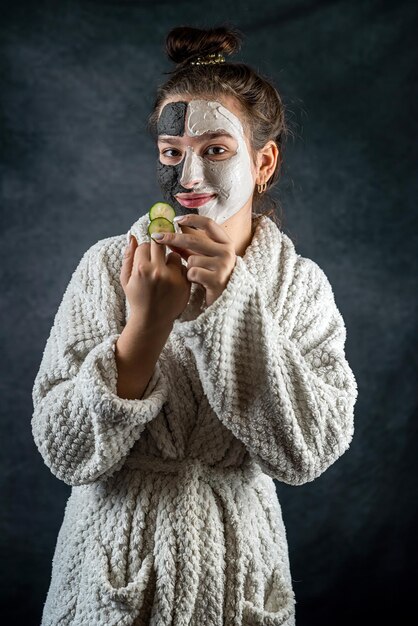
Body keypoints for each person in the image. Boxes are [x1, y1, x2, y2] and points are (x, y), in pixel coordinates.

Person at [31, 25, 358, 626]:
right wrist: (143, 333)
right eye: (170, 152)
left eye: (214, 150)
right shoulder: (107, 267)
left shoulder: (300, 286)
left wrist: (231, 305)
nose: (187, 176)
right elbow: (62, 451)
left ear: (263, 161)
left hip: (239, 580)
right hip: (112, 575)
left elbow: (308, 453)